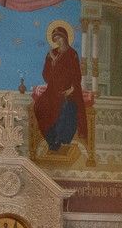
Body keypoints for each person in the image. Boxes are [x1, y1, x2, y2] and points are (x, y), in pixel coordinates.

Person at [33, 22, 84, 152]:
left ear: (65, 38)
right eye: (55, 39)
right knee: (39, 106)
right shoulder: (51, 53)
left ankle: (59, 139)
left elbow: (76, 74)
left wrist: (72, 88)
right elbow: (46, 75)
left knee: (65, 107)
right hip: (53, 90)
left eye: (59, 38)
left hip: (68, 90)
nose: (58, 41)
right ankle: (51, 139)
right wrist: (52, 62)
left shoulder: (72, 53)